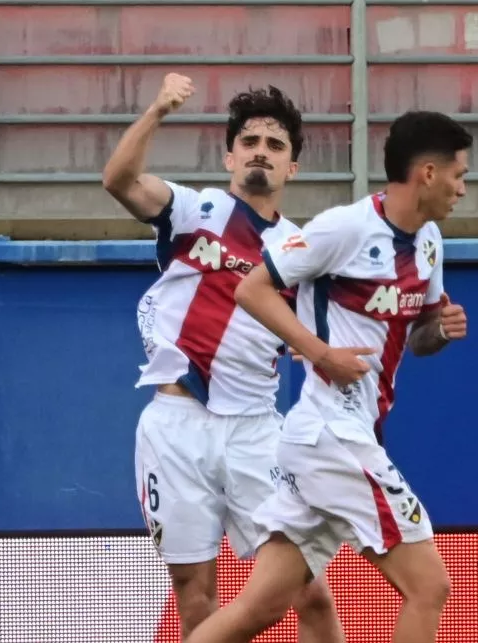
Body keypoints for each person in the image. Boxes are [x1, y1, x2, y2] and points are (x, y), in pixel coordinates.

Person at [185, 110, 472, 643]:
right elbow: (252, 289)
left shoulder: (429, 242)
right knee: (429, 586)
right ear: (428, 174)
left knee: (259, 607)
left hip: (331, 437)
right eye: (460, 175)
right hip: (332, 433)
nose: (463, 189)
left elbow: (419, 337)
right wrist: (320, 352)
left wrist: (441, 328)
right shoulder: (345, 228)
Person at [101, 73, 345, 642]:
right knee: (195, 592)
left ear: (293, 168)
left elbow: (334, 334)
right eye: (251, 142)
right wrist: (159, 109)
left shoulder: (303, 253)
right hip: (176, 425)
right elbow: (118, 179)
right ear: (230, 155)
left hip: (257, 431)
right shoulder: (194, 209)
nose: (262, 152)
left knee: (309, 589)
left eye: (276, 146)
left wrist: (430, 323)